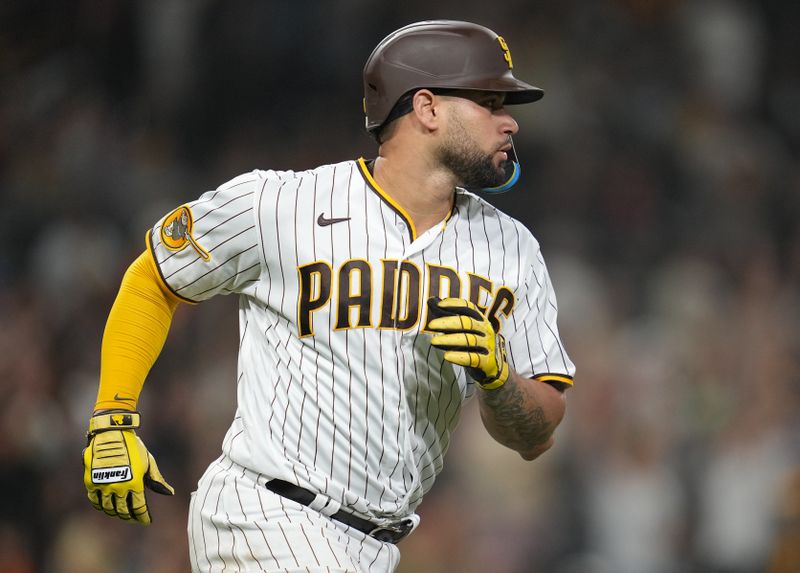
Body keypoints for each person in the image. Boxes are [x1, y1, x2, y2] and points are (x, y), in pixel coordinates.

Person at [82, 19, 575, 573]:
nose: (510, 120)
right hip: (265, 516)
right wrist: (113, 419)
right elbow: (153, 278)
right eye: (490, 101)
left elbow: (538, 434)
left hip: (376, 546)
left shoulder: (513, 249)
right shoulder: (281, 205)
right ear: (428, 108)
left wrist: (498, 378)